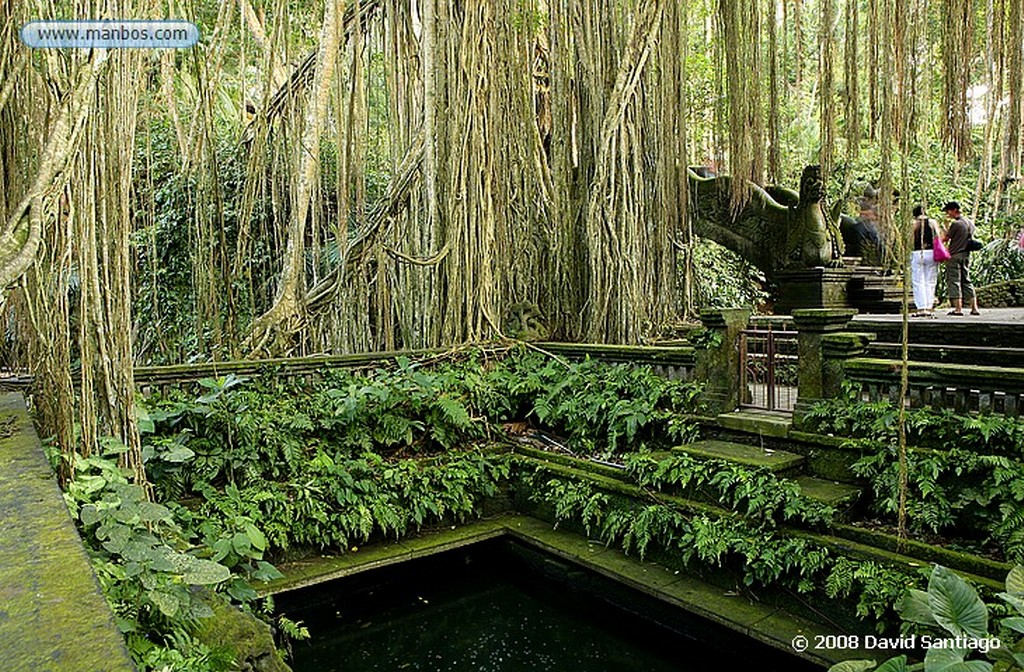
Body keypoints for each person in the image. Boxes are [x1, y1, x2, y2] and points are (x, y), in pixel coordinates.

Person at [941, 201, 980, 315]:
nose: (948, 214)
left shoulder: (956, 224)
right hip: (966, 255)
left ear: (954, 210)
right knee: (966, 280)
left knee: (954, 281)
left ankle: (958, 309)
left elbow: (946, 238)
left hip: (955, 255)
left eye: (948, 211)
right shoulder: (969, 222)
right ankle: (974, 308)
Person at [910, 205, 939, 317]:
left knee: (918, 281)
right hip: (931, 252)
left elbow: (909, 239)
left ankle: (921, 307)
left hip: (917, 252)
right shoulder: (932, 223)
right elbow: (938, 238)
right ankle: (929, 306)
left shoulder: (913, 224)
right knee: (930, 280)